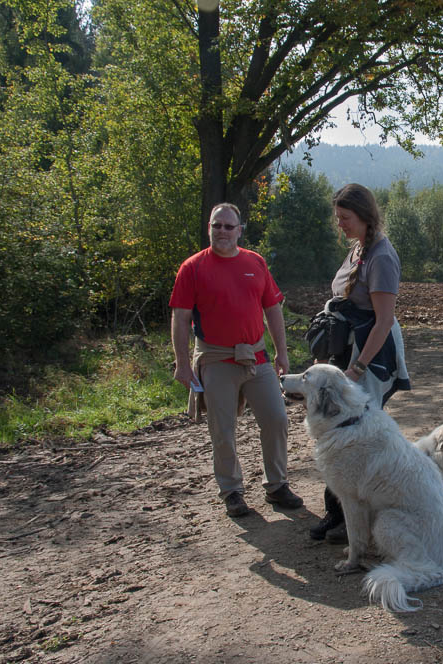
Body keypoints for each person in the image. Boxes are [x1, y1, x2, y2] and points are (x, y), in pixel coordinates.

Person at [170, 202, 303, 517]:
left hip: (256, 357)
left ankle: (277, 486)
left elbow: (272, 309)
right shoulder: (193, 267)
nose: (222, 232)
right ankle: (231, 491)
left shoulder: (255, 262)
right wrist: (182, 363)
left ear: (240, 230)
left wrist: (281, 352)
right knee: (223, 429)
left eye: (229, 226)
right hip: (216, 358)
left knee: (276, 418)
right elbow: (179, 318)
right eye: (216, 226)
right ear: (209, 229)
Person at [309, 183, 411, 543]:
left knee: (351, 436)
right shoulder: (358, 249)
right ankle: (338, 514)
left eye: (345, 218)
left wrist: (358, 369)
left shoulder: (381, 256)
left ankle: (353, 520)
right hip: (349, 352)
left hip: (369, 358)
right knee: (338, 432)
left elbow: (383, 321)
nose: (340, 224)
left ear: (365, 217)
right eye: (337, 218)